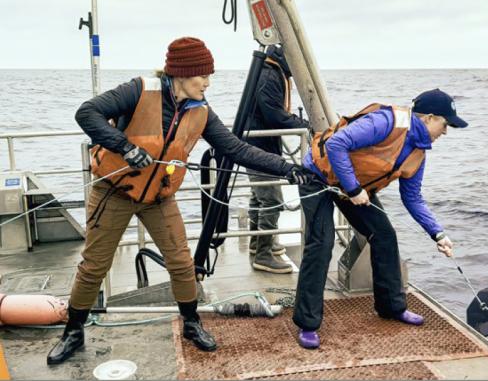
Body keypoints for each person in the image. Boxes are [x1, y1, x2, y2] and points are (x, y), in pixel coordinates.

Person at [46, 36, 313, 365]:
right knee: (94, 267)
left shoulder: (201, 111)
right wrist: (124, 147)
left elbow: (236, 148)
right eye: (204, 76)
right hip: (114, 192)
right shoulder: (139, 90)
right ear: (183, 74)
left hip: (158, 197)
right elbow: (87, 113)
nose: (208, 82)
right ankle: (73, 332)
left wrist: (288, 169)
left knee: (182, 263)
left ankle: (191, 323)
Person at [292, 89, 467, 349]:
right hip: (318, 176)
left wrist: (437, 233)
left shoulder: (419, 152)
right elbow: (336, 144)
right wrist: (352, 190)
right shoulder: (385, 122)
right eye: (445, 124)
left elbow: (413, 198)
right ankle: (307, 324)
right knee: (322, 243)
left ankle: (391, 307)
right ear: (430, 118)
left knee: (384, 235)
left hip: (353, 187)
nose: (446, 131)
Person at [245, 45, 310, 274]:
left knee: (259, 197)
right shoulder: (269, 75)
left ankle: (258, 243)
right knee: (271, 199)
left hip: (257, 143)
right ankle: (263, 255)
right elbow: (274, 115)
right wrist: (305, 126)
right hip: (259, 147)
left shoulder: (269, 71)